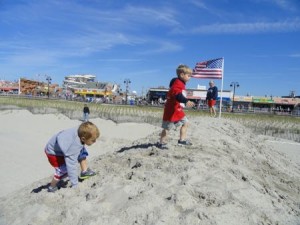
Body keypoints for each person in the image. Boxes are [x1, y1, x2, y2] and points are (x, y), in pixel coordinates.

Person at [44, 121, 100, 192]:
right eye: (93, 140)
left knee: (82, 151)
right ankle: (52, 186)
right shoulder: (72, 147)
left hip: (65, 145)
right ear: (83, 139)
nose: (95, 142)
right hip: (53, 153)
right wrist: (75, 184)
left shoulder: (81, 131)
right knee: (62, 171)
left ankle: (84, 171)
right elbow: (71, 166)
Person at [157, 64, 195, 149]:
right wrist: (186, 101)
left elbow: (173, 85)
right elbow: (178, 95)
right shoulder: (178, 83)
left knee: (185, 123)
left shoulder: (179, 82)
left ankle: (182, 140)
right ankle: (161, 143)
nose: (190, 78)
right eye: (188, 76)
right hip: (171, 110)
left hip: (177, 109)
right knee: (167, 128)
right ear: (182, 75)